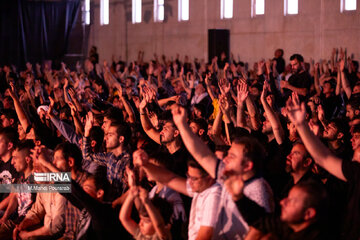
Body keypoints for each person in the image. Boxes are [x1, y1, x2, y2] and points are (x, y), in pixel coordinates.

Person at [170, 104, 274, 239]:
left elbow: (258, 229)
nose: (226, 159)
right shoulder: (227, 174)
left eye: (232, 156)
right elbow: (201, 155)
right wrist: (182, 125)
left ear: (248, 165)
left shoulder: (258, 188)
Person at [286, 92, 360, 239]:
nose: (354, 143)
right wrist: (301, 125)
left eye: (358, 140)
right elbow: (322, 158)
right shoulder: (356, 171)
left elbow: (323, 158)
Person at [133, 149, 221, 240]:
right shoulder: (200, 187)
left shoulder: (215, 194)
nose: (190, 182)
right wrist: (145, 164)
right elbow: (169, 179)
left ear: (210, 178)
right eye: (189, 176)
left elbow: (206, 234)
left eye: (194, 178)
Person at [120, 170, 172, 240]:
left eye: (146, 221)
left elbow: (159, 225)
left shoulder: (161, 236)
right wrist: (132, 191)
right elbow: (124, 218)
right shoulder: (142, 235)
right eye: (141, 219)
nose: (140, 224)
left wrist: (147, 202)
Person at [0, 140, 35, 240]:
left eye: (15, 158)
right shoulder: (21, 179)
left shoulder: (37, 179)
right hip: (17, 220)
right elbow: (14, 199)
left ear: (27, 160)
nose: (12, 162)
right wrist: (5, 217)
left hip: (28, 222)